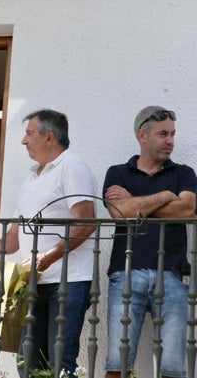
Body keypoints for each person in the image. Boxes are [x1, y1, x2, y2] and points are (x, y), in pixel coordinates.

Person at [0, 109, 96, 376]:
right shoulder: (33, 176)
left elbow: (86, 223)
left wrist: (46, 258)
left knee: (59, 363)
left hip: (68, 281)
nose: (23, 141)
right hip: (34, 281)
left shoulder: (72, 167)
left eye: (29, 133)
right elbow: (18, 232)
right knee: (27, 362)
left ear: (49, 137)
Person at [102, 106, 197, 378]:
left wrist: (135, 200)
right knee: (117, 364)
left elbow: (187, 211)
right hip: (126, 272)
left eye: (173, 134)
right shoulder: (118, 172)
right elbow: (119, 212)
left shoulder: (184, 173)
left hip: (173, 274)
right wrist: (166, 195)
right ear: (142, 135)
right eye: (163, 134)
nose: (170, 141)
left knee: (173, 366)